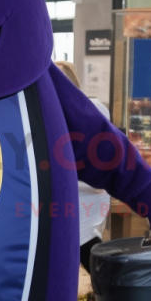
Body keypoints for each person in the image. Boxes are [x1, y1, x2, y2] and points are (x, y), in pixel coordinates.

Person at [55, 61, 111, 273]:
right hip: (59, 200)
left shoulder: (93, 111)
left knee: (89, 253)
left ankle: (106, 300)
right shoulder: (44, 115)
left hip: (87, 197)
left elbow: (102, 163)